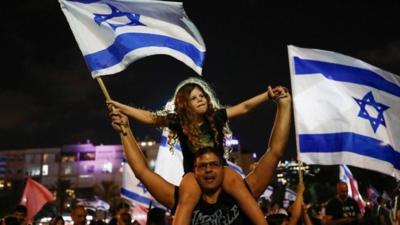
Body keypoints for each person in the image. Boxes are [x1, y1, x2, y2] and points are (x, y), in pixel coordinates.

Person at [107, 77, 280, 225]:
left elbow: (244, 107)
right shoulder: (178, 121)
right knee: (187, 197)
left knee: (240, 188)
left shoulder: (216, 116)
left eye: (202, 95)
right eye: (194, 98)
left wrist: (267, 95)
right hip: (192, 173)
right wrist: (122, 108)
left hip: (221, 169)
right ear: (185, 105)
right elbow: (150, 118)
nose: (200, 99)